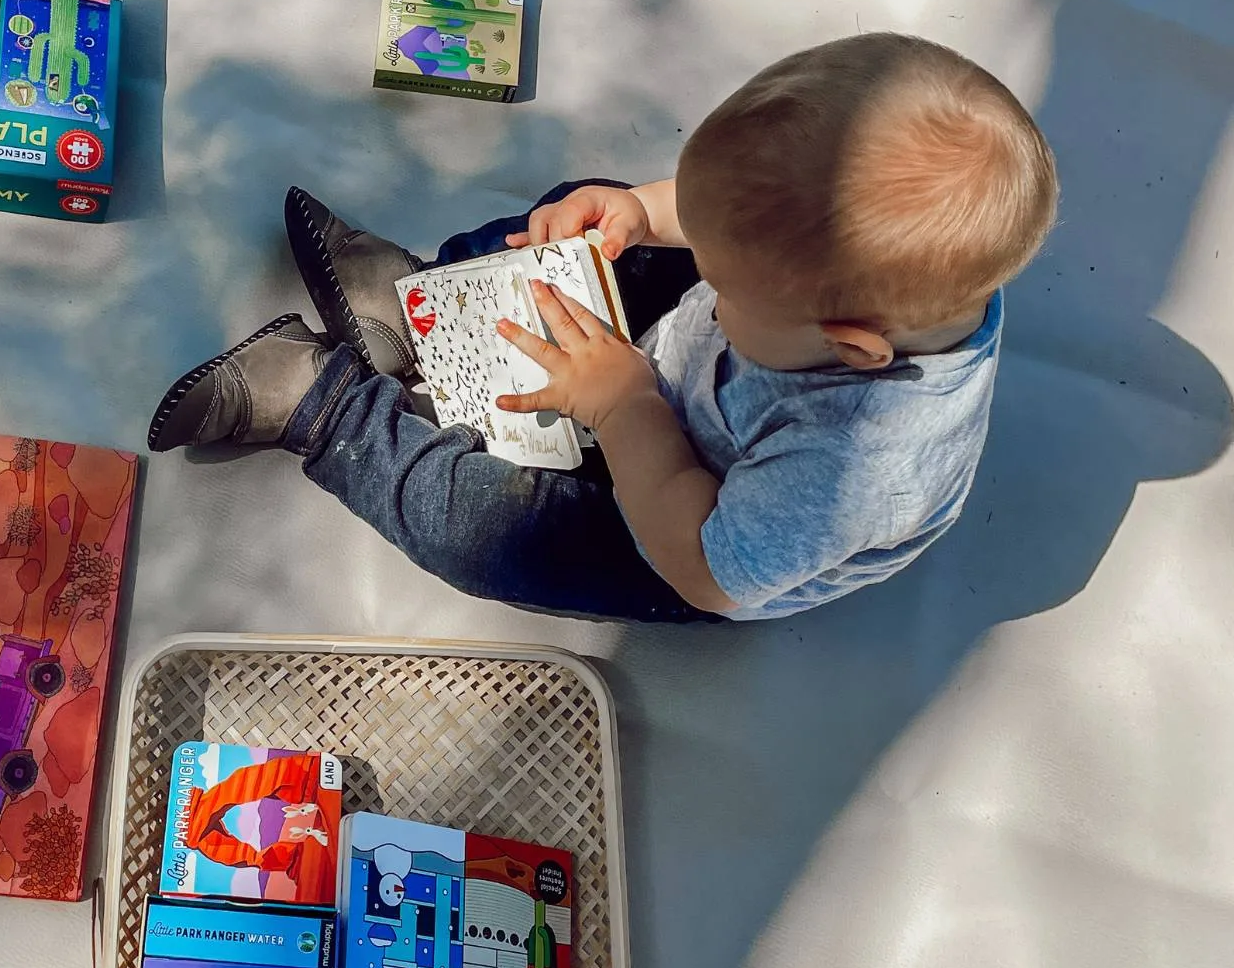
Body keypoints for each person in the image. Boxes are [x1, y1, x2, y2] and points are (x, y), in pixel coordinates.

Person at [146, 34, 1059, 623]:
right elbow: (719, 230)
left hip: (687, 516)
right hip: (680, 380)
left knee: (481, 532)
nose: (705, 273)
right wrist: (639, 213)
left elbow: (705, 568)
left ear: (855, 349)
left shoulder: (853, 471)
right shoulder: (861, 289)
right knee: (574, 226)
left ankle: (328, 404)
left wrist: (626, 411)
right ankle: (426, 311)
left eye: (725, 288)